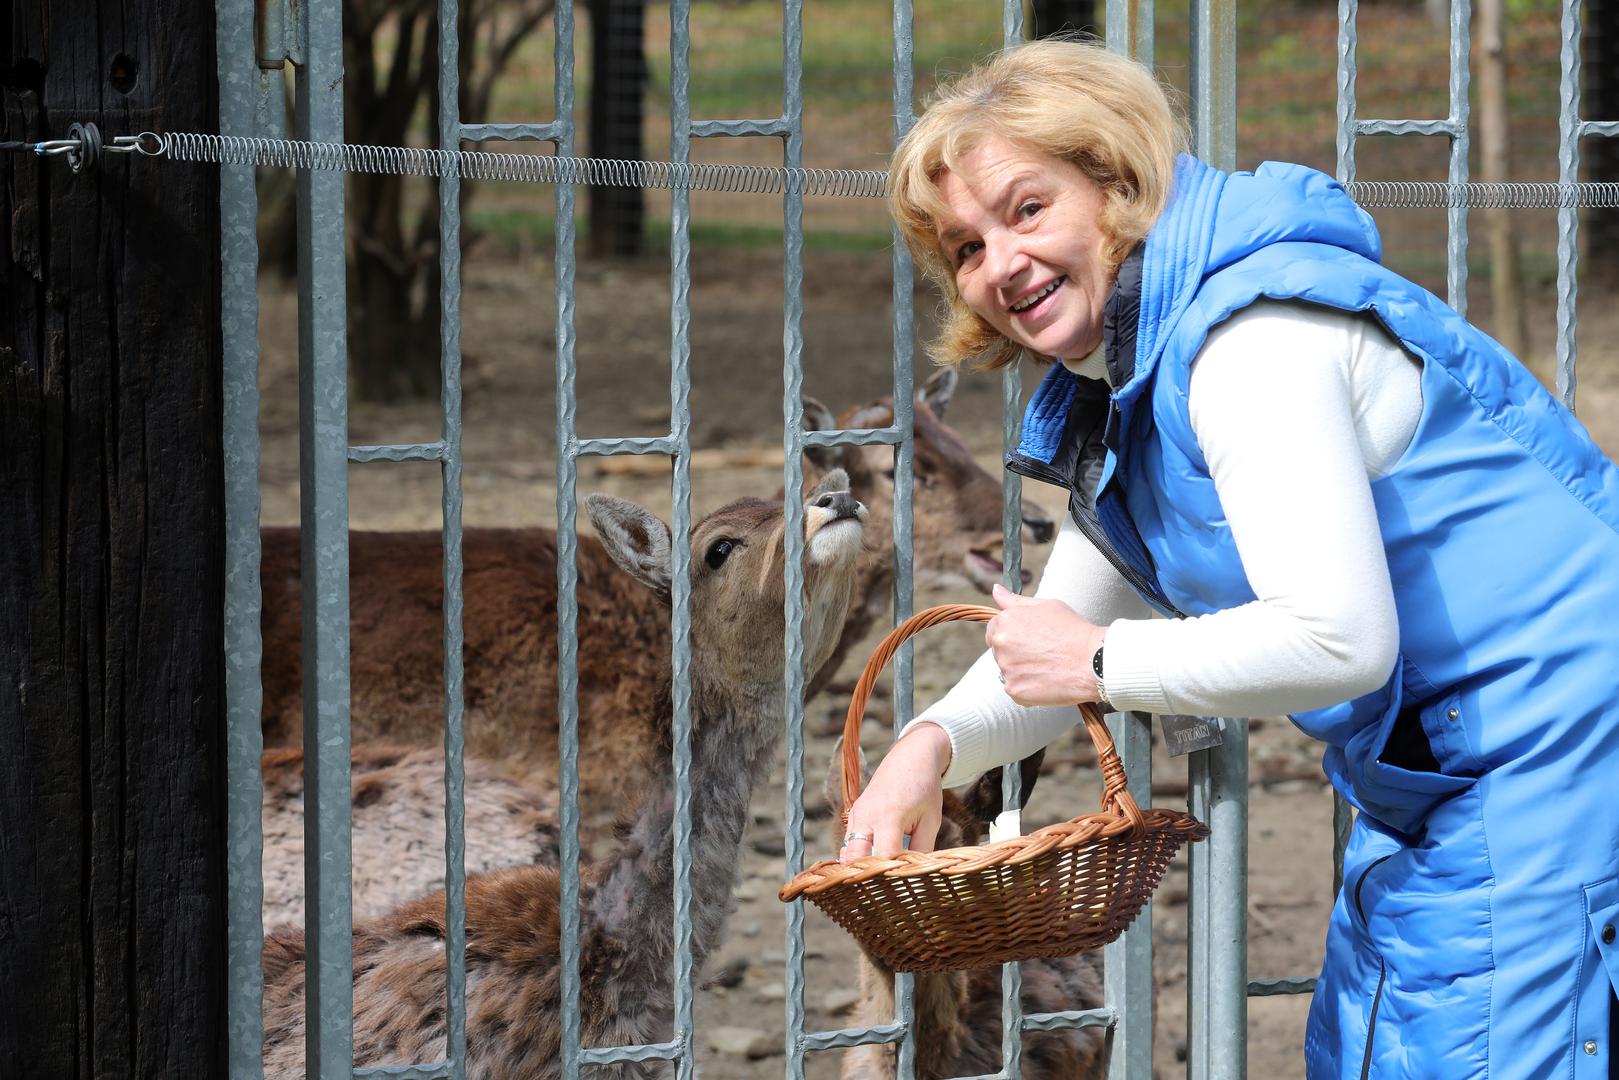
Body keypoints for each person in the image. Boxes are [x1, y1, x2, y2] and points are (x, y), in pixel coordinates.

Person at [834, 37, 1619, 1080]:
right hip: (1450, 778)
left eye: (1026, 209)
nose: (1000, 266)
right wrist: (926, 749)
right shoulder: (1133, 379)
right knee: (1366, 1044)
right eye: (965, 247)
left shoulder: (1247, 344)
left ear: (1115, 181)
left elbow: (1333, 640)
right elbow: (1053, 632)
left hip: (1551, 758)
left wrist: (1104, 664)